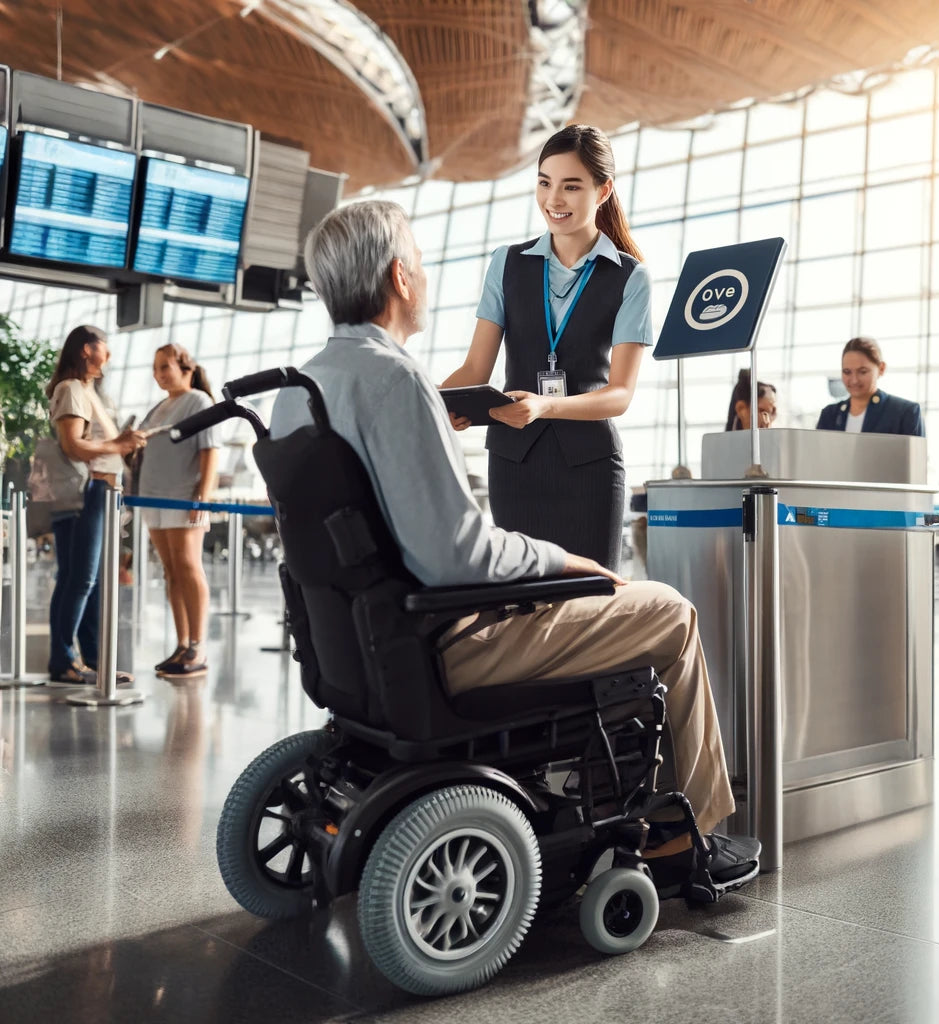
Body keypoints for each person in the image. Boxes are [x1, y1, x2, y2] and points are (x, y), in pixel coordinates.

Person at [270, 200, 759, 889]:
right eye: (419, 262)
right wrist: (563, 561)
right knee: (670, 614)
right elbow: (454, 557)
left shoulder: (299, 389)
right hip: (452, 640)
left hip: (357, 643)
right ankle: (692, 833)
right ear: (400, 279)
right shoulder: (398, 379)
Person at [441, 124, 652, 572]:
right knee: (524, 608)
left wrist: (545, 407)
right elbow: (476, 367)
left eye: (571, 186)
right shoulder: (508, 264)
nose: (553, 199)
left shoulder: (630, 278)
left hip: (590, 470)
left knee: (590, 606)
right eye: (544, 182)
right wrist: (436, 403)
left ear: (603, 190)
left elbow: (620, 395)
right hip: (514, 464)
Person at [45, 325, 147, 685]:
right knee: (81, 580)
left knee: (88, 581)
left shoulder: (89, 392)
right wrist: (118, 446)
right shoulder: (71, 389)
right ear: (87, 350)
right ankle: (63, 660)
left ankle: (92, 661)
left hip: (102, 494)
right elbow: (73, 445)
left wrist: (122, 446)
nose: (110, 355)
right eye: (105, 347)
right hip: (85, 495)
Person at [137, 343, 219, 678]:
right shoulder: (159, 406)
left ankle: (198, 647)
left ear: (186, 367)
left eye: (165, 367)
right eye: (156, 369)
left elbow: (210, 451)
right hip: (152, 496)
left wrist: (202, 496)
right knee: (171, 570)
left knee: (188, 566)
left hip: (183, 495)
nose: (159, 375)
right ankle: (183, 643)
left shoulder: (199, 401)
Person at [816, 336, 924, 435]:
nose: (854, 380)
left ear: (881, 369)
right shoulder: (829, 414)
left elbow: (915, 456)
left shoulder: (904, 413)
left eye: (862, 371)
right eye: (847, 372)